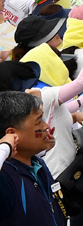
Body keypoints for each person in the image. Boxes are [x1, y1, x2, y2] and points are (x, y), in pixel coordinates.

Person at [0, 91, 62, 226]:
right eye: (39, 121)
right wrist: (5, 147)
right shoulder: (6, 178)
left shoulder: (37, 164)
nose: (46, 127)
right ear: (11, 134)